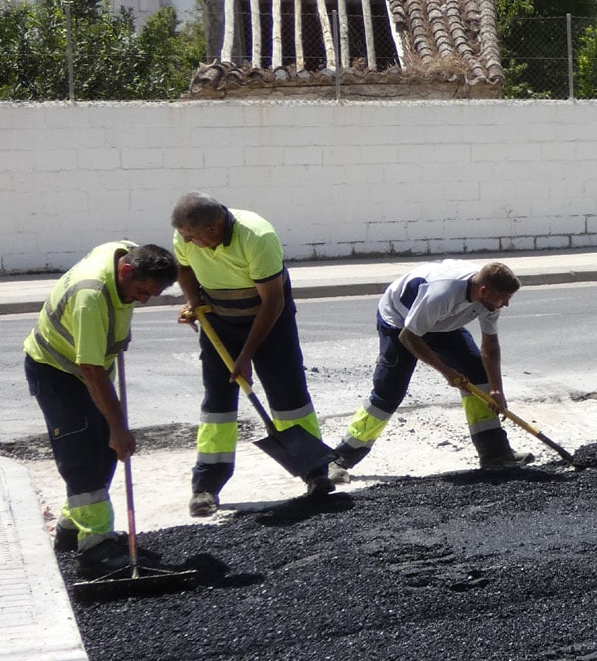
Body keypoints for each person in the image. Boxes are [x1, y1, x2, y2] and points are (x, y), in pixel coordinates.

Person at [24, 241, 179, 568]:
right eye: (140, 291)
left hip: (90, 367)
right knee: (82, 454)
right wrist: (119, 428)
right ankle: (96, 547)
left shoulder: (124, 254)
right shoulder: (91, 296)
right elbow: (90, 370)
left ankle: (71, 530)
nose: (142, 300)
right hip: (59, 371)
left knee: (106, 449)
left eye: (150, 295)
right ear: (126, 271)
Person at [171, 192, 329, 511]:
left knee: (289, 397)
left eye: (191, 236)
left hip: (270, 321)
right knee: (217, 402)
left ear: (212, 229)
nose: (185, 241)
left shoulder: (257, 236)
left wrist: (245, 356)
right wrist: (193, 301)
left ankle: (315, 470)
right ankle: (206, 486)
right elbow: (183, 268)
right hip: (219, 321)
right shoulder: (185, 234)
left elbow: (273, 301)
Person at [333, 260, 529, 473]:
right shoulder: (442, 294)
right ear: (483, 291)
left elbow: (490, 346)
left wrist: (496, 389)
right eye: (503, 298)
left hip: (439, 323)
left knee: (477, 373)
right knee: (389, 392)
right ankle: (339, 459)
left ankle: (495, 454)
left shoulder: (489, 298)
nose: (506, 304)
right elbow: (408, 337)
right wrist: (446, 372)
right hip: (400, 322)